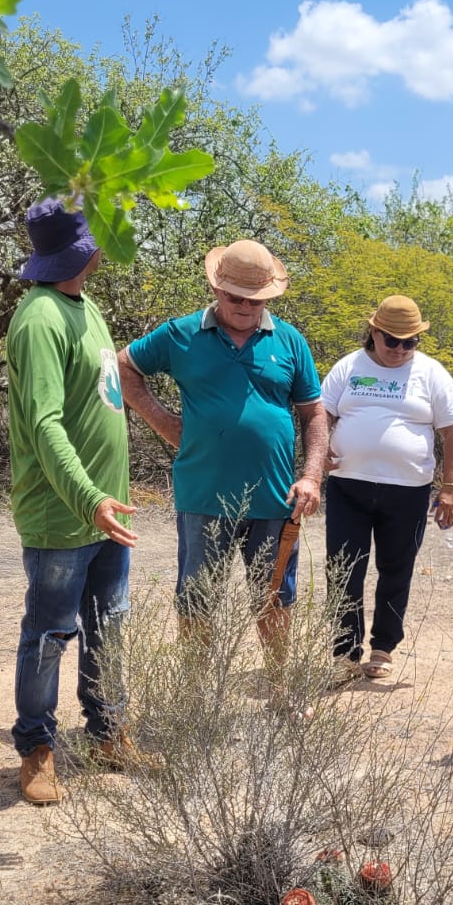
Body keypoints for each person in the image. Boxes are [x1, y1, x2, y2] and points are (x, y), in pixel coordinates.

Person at [117, 239, 327, 667]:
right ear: (216, 289)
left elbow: (314, 413)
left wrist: (311, 477)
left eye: (257, 298)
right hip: (203, 497)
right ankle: (194, 691)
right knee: (197, 599)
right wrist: (165, 423)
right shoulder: (180, 334)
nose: (247, 306)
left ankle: (279, 687)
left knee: (275, 597)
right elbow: (123, 367)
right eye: (236, 297)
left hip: (275, 500)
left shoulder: (289, 341)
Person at [7, 197, 142, 807]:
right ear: (82, 251)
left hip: (105, 513)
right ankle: (36, 747)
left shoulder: (86, 307)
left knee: (109, 626)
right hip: (63, 514)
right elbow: (44, 425)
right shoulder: (39, 318)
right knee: (50, 634)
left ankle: (108, 732)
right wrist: (89, 498)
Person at [321, 296, 453, 684]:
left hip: (408, 490)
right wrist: (317, 454)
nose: (400, 349)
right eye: (392, 340)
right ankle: (344, 653)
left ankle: (383, 648)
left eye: (410, 342)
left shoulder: (432, 373)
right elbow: (321, 414)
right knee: (343, 569)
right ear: (374, 332)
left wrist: (450, 488)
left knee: (396, 569)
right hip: (348, 486)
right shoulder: (348, 367)